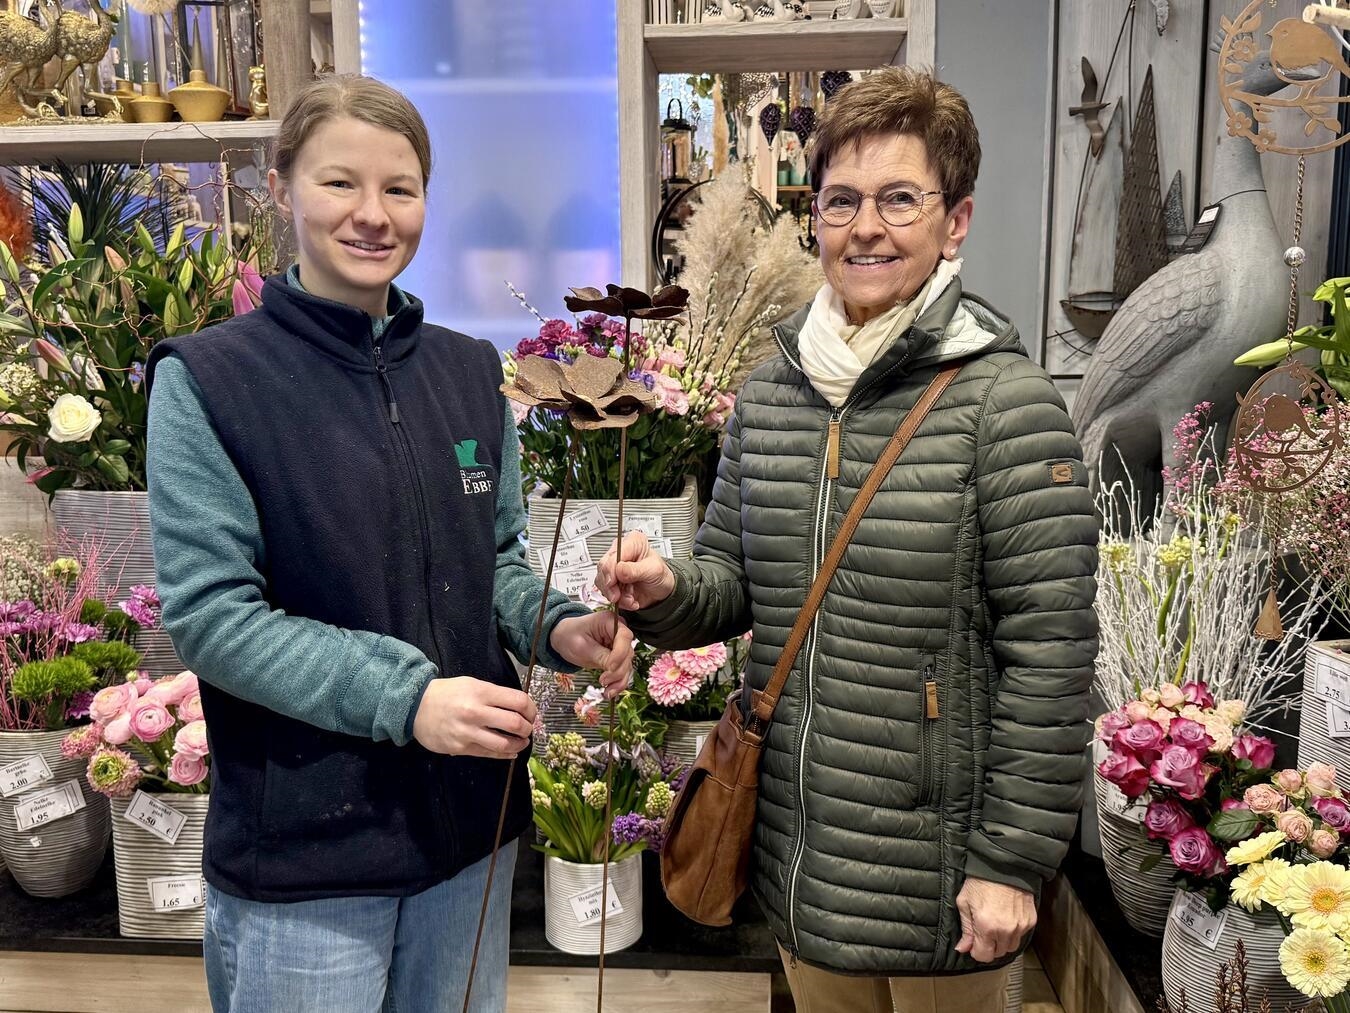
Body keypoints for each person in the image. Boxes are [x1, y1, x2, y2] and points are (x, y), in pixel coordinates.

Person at [597, 66, 1098, 1013]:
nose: (866, 227)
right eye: (842, 200)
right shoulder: (773, 391)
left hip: (944, 880)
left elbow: (1052, 657)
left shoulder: (1007, 404)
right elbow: (734, 579)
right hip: (801, 861)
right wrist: (663, 589)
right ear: (815, 218)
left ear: (955, 221)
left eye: (900, 199)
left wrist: (1012, 862)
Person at [146, 75, 633, 1013]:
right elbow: (212, 618)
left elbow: (494, 563)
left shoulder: (469, 370)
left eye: (400, 189)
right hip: (306, 864)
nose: (373, 215)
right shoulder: (209, 381)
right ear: (282, 184)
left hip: (468, 842)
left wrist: (560, 628)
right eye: (340, 184)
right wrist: (408, 698)